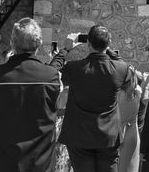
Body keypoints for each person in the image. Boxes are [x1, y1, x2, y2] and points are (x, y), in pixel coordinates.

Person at [0, 18, 61, 172]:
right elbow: (59, 106)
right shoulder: (53, 78)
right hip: (39, 164)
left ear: (12, 43)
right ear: (39, 43)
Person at [49, 25, 130, 172]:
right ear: (109, 43)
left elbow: (51, 73)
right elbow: (130, 72)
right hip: (108, 136)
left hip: (80, 136)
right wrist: (106, 47)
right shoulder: (120, 69)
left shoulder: (74, 68)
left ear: (88, 44)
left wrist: (65, 50)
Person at [117, 66, 141, 172]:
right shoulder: (137, 92)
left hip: (119, 132)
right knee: (131, 166)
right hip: (132, 133)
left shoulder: (118, 94)